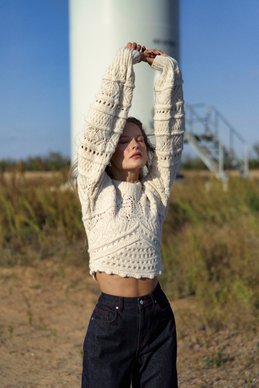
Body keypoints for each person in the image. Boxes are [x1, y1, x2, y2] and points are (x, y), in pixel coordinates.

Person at [76, 41, 185, 387]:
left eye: (139, 139)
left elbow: (171, 137)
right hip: (111, 321)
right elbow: (99, 128)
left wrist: (169, 73)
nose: (135, 144)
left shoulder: (156, 192)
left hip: (157, 317)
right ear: (109, 153)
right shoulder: (96, 191)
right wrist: (124, 65)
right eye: (124, 140)